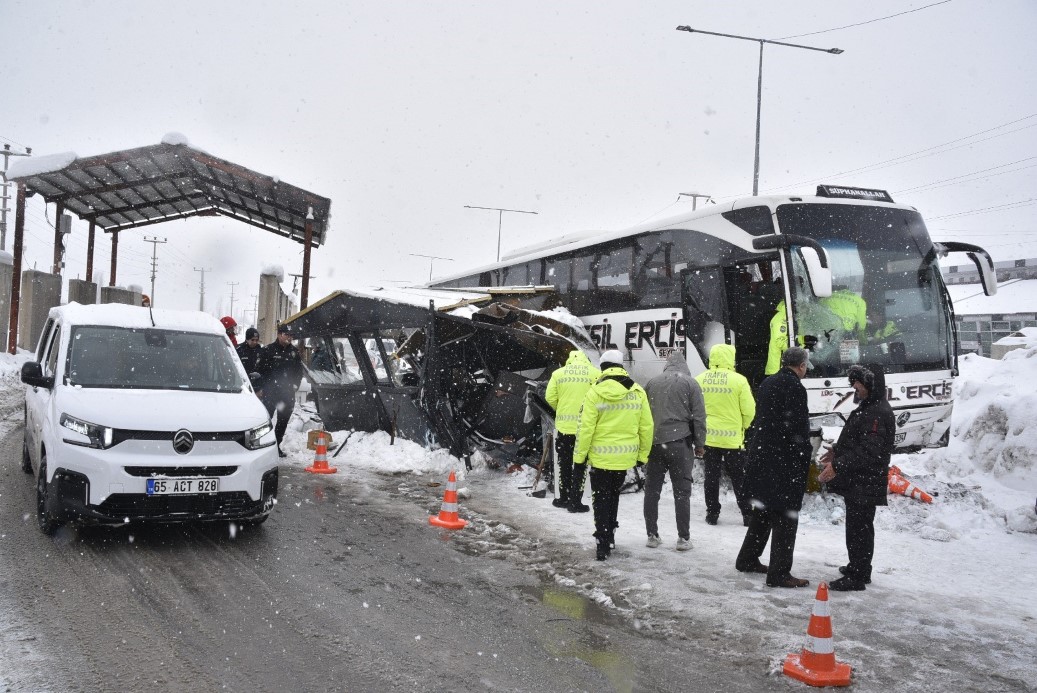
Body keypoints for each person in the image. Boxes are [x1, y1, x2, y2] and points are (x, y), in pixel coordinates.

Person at [736, 346, 813, 588]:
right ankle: (779, 573)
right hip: (783, 461)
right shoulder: (795, 387)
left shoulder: (768, 382)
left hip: (763, 457)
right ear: (801, 366)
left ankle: (747, 559)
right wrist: (804, 453)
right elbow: (797, 427)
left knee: (763, 511)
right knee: (785, 516)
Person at [818, 364, 895, 591]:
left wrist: (837, 465)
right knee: (857, 527)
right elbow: (858, 440)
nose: (855, 388)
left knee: (860, 529)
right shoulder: (869, 406)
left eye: (858, 384)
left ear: (869, 384)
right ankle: (858, 567)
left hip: (865, 481)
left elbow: (869, 451)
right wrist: (837, 451)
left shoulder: (877, 412)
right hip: (859, 480)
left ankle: (858, 576)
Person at [573, 349, 653, 561]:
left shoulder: (594, 392)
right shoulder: (637, 391)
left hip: (600, 459)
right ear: (621, 367)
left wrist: (579, 458)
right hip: (624, 458)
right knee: (614, 495)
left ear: (603, 367)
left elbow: (585, 429)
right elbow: (646, 427)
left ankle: (602, 541)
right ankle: (610, 535)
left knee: (600, 499)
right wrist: (642, 456)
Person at [643, 350, 705, 551]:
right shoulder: (690, 383)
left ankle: (652, 535)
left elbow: (643, 415)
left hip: (655, 444)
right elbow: (699, 416)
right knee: (682, 493)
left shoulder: (652, 383)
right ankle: (683, 539)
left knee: (652, 491)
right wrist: (700, 444)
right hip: (680, 444)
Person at [695, 343, 756, 527]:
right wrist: (743, 426)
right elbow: (749, 410)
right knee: (739, 478)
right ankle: (747, 514)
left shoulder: (699, 379)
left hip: (709, 438)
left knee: (711, 477)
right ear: (730, 358)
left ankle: (712, 513)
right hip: (732, 440)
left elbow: (694, 409)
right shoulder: (739, 380)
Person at [544, 349, 600, 512]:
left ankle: (563, 498)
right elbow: (600, 399)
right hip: (585, 428)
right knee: (580, 464)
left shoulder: (558, 374)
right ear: (586, 359)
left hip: (564, 428)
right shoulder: (596, 374)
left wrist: (561, 409)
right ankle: (575, 502)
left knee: (564, 463)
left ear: (570, 359)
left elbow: (550, 397)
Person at [256, 324, 304, 457]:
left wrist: (295, 386)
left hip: (287, 394)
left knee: (283, 422)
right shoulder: (268, 350)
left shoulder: (294, 352)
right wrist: (260, 388)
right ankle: (262, 447)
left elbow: (299, 373)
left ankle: (276, 446)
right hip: (270, 393)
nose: (289, 337)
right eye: (286, 334)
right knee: (265, 421)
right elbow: (259, 371)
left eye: (291, 335)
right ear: (279, 334)